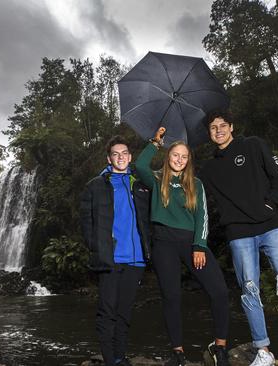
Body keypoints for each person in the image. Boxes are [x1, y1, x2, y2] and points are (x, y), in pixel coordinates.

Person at [199, 110, 278, 366]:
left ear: (232, 126)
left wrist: (272, 206)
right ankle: (263, 351)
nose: (219, 130)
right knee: (250, 289)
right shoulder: (209, 169)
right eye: (213, 127)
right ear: (209, 133)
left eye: (223, 125)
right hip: (239, 233)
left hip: (272, 226)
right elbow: (187, 190)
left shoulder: (254, 145)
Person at [135, 127, 230, 366]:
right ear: (168, 157)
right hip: (163, 244)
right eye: (175, 155)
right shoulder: (157, 179)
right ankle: (177, 352)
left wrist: (199, 245)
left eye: (184, 156)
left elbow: (202, 217)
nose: (179, 159)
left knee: (219, 291)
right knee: (172, 296)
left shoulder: (195, 184)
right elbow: (140, 166)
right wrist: (155, 143)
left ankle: (220, 347)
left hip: (191, 243)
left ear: (189, 161)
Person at [80, 136, 152, 366]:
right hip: (110, 259)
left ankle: (120, 357)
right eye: (115, 154)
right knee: (107, 312)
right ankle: (111, 361)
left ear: (130, 157)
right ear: (109, 158)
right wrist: (99, 247)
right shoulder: (96, 184)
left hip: (136, 260)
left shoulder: (140, 185)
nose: (120, 157)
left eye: (124, 153)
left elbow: (148, 219)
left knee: (124, 313)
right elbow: (86, 222)